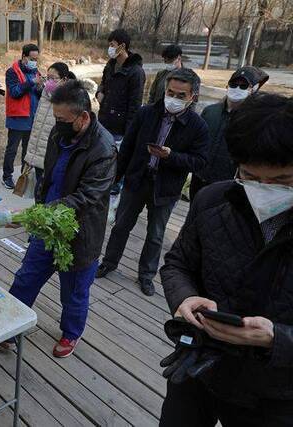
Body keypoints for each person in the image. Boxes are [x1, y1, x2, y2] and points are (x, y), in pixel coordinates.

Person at [159, 93, 293, 426]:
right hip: (199, 366)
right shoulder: (213, 199)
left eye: (281, 181)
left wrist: (278, 339)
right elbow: (178, 263)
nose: (263, 189)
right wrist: (185, 297)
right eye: (249, 175)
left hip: (274, 393)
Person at [8, 80, 117, 358]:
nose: (58, 124)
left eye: (63, 119)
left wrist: (35, 215)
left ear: (83, 117)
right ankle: (9, 325)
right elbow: (48, 177)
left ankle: (71, 333)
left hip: (80, 233)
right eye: (55, 118)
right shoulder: (58, 134)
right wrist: (39, 211)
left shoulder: (103, 148)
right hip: (47, 226)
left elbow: (86, 198)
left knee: (74, 292)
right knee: (26, 278)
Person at [96, 68, 209, 296]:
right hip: (137, 180)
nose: (173, 98)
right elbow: (127, 147)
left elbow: (200, 161)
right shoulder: (146, 113)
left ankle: (146, 275)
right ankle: (109, 262)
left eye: (180, 95)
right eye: (170, 92)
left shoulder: (198, 126)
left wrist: (171, 156)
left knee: (156, 234)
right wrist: (115, 179)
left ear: (192, 97)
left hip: (166, 188)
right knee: (120, 226)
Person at [189, 66, 269, 201]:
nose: (237, 89)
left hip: (226, 185)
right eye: (233, 84)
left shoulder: (254, 120)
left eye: (243, 86)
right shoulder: (210, 111)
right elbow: (198, 141)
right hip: (199, 178)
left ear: (253, 89)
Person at [96, 29, 146, 197]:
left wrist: (129, 133)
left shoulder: (136, 72)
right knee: (101, 159)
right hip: (103, 121)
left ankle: (115, 193)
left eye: (112, 45)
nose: (109, 48)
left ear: (122, 46)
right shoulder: (110, 65)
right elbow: (102, 85)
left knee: (116, 163)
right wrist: (99, 93)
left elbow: (135, 105)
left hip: (120, 128)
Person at [23, 62, 76, 195]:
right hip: (38, 153)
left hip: (52, 156)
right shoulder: (45, 94)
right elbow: (37, 127)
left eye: (53, 78)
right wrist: (31, 156)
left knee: (47, 192)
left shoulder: (69, 100)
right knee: (38, 192)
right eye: (48, 78)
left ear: (64, 80)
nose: (49, 82)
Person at [3, 43, 42, 190]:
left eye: (36, 59)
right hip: (18, 118)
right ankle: (7, 177)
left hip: (32, 118)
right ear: (24, 57)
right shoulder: (12, 72)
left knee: (28, 150)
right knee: (12, 149)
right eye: (32, 58)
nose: (34, 61)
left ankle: (23, 177)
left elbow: (37, 94)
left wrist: (40, 87)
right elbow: (15, 92)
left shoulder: (35, 71)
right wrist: (31, 82)